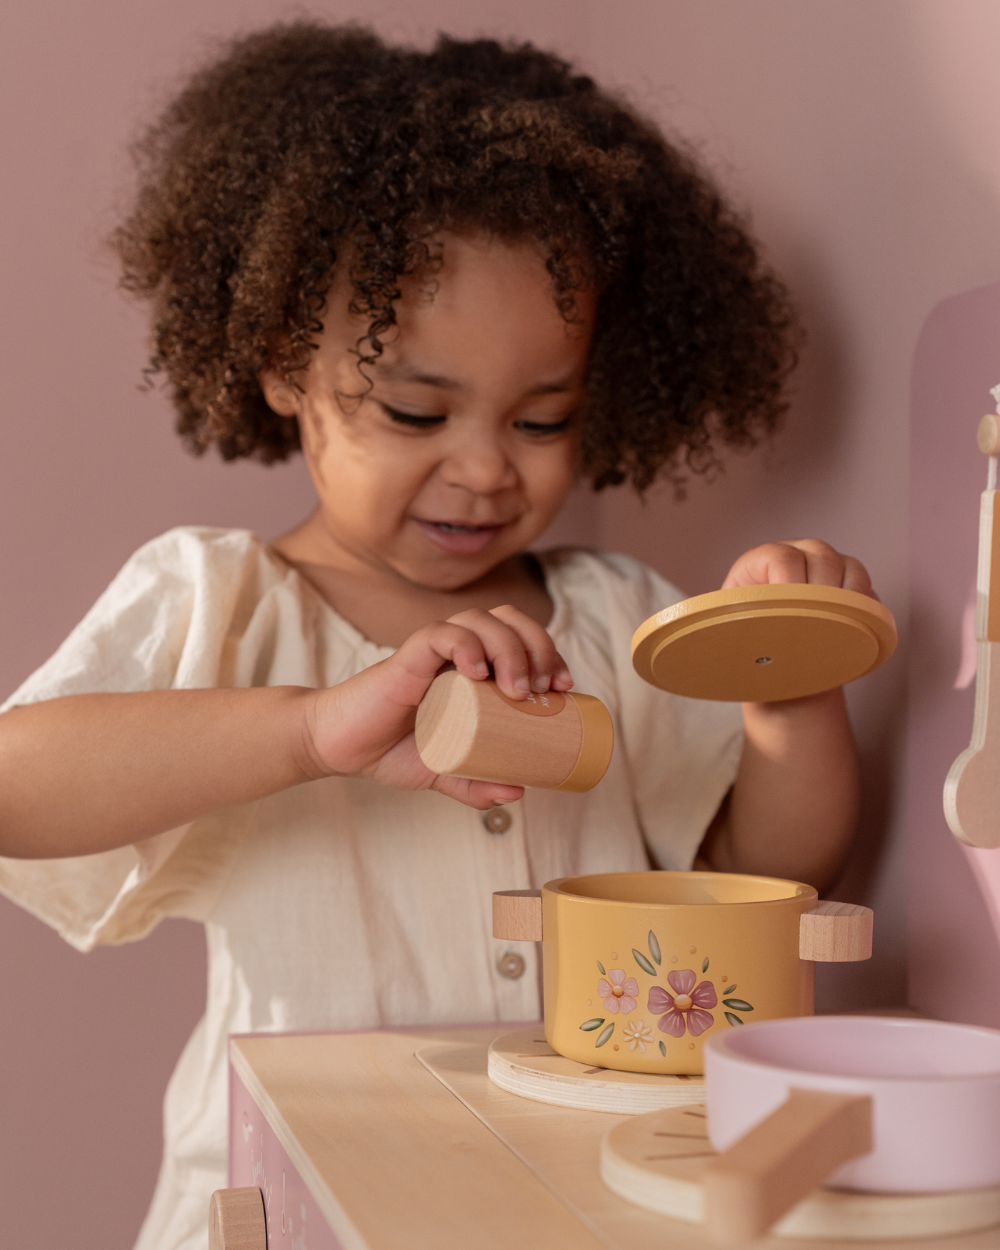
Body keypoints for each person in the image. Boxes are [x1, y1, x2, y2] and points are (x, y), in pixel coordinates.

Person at [0, 23, 872, 1250]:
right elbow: (16, 787)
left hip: (566, 1200)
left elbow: (770, 879)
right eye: (416, 407)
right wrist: (307, 729)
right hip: (280, 1199)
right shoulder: (221, 601)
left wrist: (786, 690)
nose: (482, 468)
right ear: (280, 364)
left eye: (543, 417)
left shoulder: (618, 614)